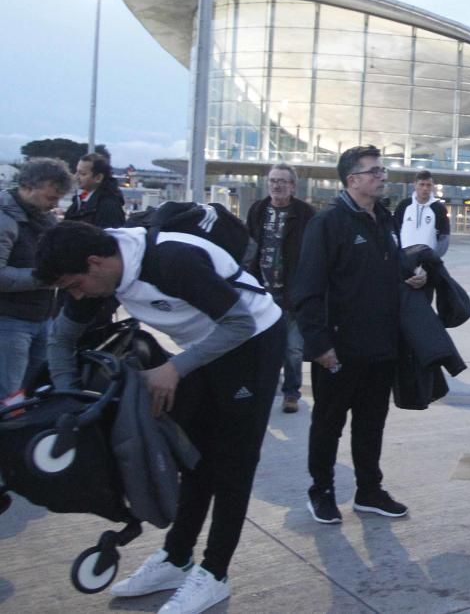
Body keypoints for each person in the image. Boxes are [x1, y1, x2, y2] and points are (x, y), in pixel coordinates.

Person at [37, 218, 284, 614]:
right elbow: (60, 337)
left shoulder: (170, 261)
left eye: (74, 285)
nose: (76, 296)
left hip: (252, 340)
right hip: (201, 345)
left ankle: (215, 573)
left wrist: (174, 368)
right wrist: (70, 400)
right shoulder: (97, 278)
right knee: (194, 457)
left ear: (95, 262)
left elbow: (240, 322)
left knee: (233, 464)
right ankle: (176, 558)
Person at [293, 145, 427, 525]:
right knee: (328, 425)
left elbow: (390, 266)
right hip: (339, 349)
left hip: (381, 346)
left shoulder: (385, 219)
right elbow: (306, 289)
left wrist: (412, 274)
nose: (382, 176)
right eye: (375, 171)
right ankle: (321, 491)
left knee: (372, 424)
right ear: (353, 180)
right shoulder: (329, 223)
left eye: (382, 170)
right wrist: (319, 344)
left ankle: (369, 490)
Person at [245, 164, 315, 414]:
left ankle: (291, 393)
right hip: (261, 292)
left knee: (293, 349)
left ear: (293, 186)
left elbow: (313, 252)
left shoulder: (306, 214)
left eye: (282, 181)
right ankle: (264, 389)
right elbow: (250, 245)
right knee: (262, 347)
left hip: (291, 293)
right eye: (273, 180)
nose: (276, 185)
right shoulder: (258, 209)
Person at [0, 158, 72, 400]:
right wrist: (44, 278)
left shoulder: (42, 218)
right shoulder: (4, 220)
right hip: (10, 321)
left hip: (41, 317)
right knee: (9, 394)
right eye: (51, 198)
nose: (54, 206)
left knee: (27, 392)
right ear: (28, 187)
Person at [394, 169, 450, 257]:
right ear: (415, 185)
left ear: (432, 186)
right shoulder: (404, 205)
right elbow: (395, 231)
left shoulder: (439, 208)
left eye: (428, 185)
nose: (425, 188)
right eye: (422, 184)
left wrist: (433, 259)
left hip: (429, 262)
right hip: (404, 261)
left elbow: (444, 238)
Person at [65, 153, 126, 229]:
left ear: (98, 178)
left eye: (82, 174)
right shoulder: (80, 199)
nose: (76, 176)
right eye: (76, 172)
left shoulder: (109, 207)